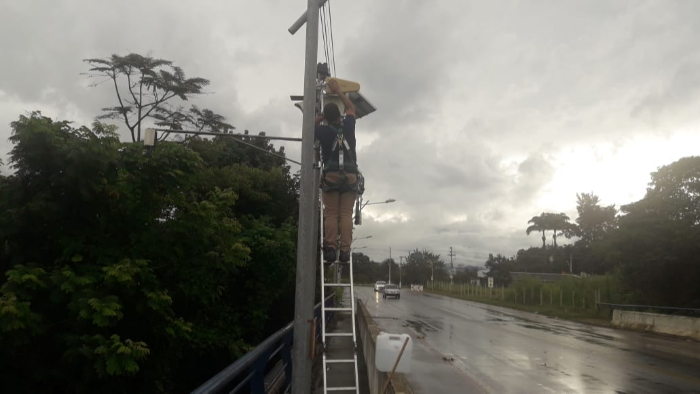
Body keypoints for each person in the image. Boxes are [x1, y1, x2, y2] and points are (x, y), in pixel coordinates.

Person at [315, 79, 358, 263]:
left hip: (331, 176)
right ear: (339, 115)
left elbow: (308, 127)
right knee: (346, 214)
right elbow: (351, 108)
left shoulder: (322, 132)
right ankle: (345, 252)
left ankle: (331, 249)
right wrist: (339, 91)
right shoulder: (348, 126)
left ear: (326, 117)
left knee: (331, 213)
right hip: (350, 176)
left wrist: (320, 117)